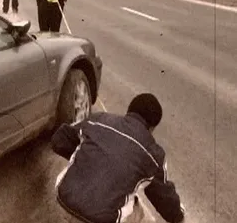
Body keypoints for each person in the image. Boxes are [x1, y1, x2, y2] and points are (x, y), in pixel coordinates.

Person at [51, 93, 186, 223]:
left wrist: (87, 159)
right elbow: (164, 199)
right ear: (151, 128)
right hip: (101, 220)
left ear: (129, 111)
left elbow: (59, 139)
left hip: (63, 201)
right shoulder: (153, 154)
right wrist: (178, 216)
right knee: (145, 218)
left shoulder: (98, 119)